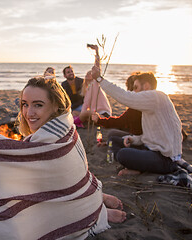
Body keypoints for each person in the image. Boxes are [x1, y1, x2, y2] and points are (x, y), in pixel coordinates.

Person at [0, 71, 125, 240]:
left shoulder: (63, 135)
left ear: (55, 105)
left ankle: (88, 198)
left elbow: (53, 173)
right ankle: (88, 203)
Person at [18, 77, 126, 227]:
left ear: (55, 106)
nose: (29, 112)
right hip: (68, 189)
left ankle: (96, 209)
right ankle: (94, 195)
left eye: (38, 105)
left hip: (69, 198)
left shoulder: (56, 137)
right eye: (25, 104)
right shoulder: (66, 125)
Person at [90, 47, 182, 176]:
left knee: (123, 154)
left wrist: (100, 79)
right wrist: (134, 139)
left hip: (165, 160)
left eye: (136, 87)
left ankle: (138, 169)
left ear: (146, 87)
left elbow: (126, 97)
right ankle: (137, 166)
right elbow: (151, 138)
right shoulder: (150, 106)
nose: (134, 91)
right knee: (115, 140)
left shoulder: (156, 97)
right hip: (151, 150)